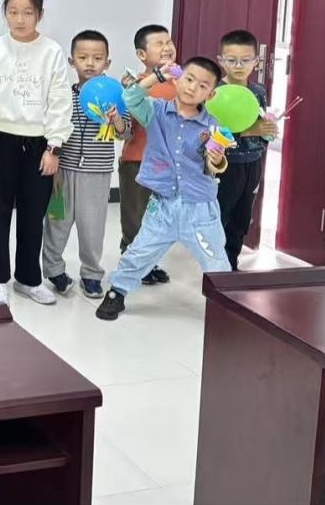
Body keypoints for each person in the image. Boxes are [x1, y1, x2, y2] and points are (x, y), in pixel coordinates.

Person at [96, 58, 232, 320]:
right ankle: (117, 292)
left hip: (200, 209)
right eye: (189, 79)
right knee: (140, 251)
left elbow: (214, 166)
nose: (193, 87)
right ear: (177, 80)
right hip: (162, 205)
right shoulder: (156, 110)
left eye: (203, 85)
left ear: (211, 94)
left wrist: (216, 159)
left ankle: (226, 305)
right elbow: (131, 97)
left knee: (215, 258)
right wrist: (158, 75)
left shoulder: (213, 126)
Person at [0, 0, 73, 306]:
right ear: (5, 13)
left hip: (38, 143)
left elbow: (60, 101)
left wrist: (54, 147)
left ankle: (28, 278)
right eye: (13, 12)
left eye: (27, 12)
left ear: (39, 14)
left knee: (33, 212)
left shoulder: (51, 52)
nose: (20, 19)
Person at [42, 30, 129, 300]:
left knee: (93, 226)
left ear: (107, 62)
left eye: (97, 58)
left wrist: (116, 120)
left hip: (96, 172)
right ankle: (54, 270)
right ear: (71, 61)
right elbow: (51, 128)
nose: (90, 63)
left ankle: (91, 274)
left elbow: (125, 133)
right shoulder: (63, 95)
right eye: (82, 57)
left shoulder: (115, 96)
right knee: (56, 222)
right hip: (63, 171)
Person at [117, 24, 179, 286]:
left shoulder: (181, 83)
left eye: (169, 42)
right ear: (142, 55)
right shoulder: (136, 84)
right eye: (158, 43)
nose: (167, 47)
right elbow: (126, 125)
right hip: (138, 160)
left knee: (159, 217)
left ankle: (149, 262)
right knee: (136, 216)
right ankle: (132, 263)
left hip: (169, 163)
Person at [216, 29, 278, 271]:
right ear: (220, 60)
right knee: (221, 216)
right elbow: (209, 133)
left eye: (245, 60)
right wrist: (249, 131)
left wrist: (267, 131)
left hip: (253, 162)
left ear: (256, 61)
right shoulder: (214, 92)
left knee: (242, 218)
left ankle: (231, 265)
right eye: (231, 60)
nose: (239, 66)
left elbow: (261, 124)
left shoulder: (258, 91)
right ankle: (216, 268)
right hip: (224, 164)